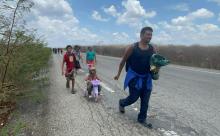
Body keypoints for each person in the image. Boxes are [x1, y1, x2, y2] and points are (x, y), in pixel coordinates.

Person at [114, 26, 157, 128]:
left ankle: (142, 119)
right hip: (134, 77)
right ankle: (122, 103)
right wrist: (118, 74)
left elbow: (155, 62)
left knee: (145, 100)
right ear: (141, 35)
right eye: (148, 34)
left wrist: (156, 70)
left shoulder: (153, 48)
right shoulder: (132, 48)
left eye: (151, 35)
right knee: (133, 98)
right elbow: (123, 61)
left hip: (147, 78)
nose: (150, 37)